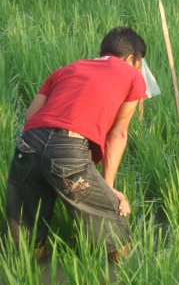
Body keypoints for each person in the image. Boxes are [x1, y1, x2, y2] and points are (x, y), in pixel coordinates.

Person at [6, 26, 147, 261]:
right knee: (114, 230)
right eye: (139, 64)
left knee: (28, 237)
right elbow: (118, 134)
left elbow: (31, 117)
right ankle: (125, 275)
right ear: (131, 59)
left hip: (28, 145)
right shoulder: (132, 75)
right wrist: (108, 188)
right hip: (68, 149)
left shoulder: (65, 70)